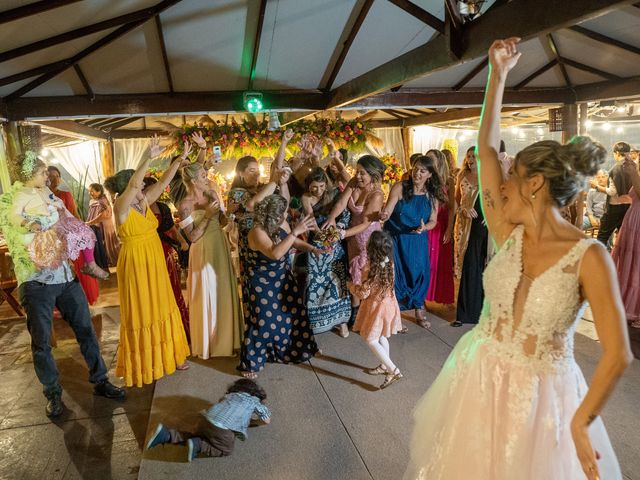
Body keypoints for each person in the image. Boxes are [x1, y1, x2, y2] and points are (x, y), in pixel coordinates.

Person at [405, 38, 632, 480]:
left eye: (511, 178)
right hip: (479, 379)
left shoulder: (590, 256)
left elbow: (618, 353)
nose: (498, 184)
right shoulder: (508, 232)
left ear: (533, 187)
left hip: (544, 399)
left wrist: (583, 421)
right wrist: (498, 76)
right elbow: (487, 149)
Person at [0, 153, 125, 418]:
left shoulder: (46, 192)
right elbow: (16, 230)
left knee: (86, 330)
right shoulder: (11, 199)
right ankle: (53, 393)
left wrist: (70, 226)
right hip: (36, 282)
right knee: (42, 342)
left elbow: (68, 219)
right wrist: (44, 226)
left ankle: (100, 380)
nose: (48, 176)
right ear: (30, 172)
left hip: (66, 278)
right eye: (43, 172)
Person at [104, 136, 191, 387]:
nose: (143, 183)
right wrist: (147, 156)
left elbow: (164, 181)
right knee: (144, 310)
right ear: (130, 185)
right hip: (136, 264)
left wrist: (179, 160)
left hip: (154, 259)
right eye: (140, 180)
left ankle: (171, 356)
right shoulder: (121, 206)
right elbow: (133, 184)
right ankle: (148, 363)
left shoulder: (143, 200)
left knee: (164, 305)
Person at [238, 194, 319, 378]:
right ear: (272, 214)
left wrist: (311, 248)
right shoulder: (257, 231)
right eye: (282, 213)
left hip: (282, 277)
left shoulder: (280, 224)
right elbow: (275, 253)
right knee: (262, 322)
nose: (286, 216)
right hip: (262, 282)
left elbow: (290, 241)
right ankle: (250, 362)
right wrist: (295, 232)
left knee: (292, 314)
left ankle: (294, 350)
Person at [175, 161, 243, 358]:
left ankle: (228, 341)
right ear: (194, 181)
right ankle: (208, 343)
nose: (208, 179)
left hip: (219, 246)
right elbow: (193, 237)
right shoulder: (184, 205)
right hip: (201, 250)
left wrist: (227, 212)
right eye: (204, 177)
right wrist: (207, 215)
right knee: (205, 292)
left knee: (223, 290)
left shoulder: (212, 194)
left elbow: (222, 222)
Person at [323, 155, 386, 327]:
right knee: (354, 274)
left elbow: (366, 223)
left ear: (373, 175)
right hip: (352, 236)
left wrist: (343, 234)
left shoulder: (377, 194)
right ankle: (355, 312)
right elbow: (342, 203)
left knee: (368, 276)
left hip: (368, 238)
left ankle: (373, 315)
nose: (357, 176)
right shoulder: (353, 183)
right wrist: (331, 218)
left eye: (362, 173)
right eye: (357, 171)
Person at [146, 379, 270, 462]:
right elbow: (266, 420)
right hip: (223, 431)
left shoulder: (230, 395)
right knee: (226, 450)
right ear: (256, 394)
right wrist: (252, 423)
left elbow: (222, 404)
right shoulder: (256, 403)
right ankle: (200, 446)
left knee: (197, 434)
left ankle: (166, 435)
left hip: (205, 419)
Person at [381, 154, 441, 326]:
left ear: (430, 174)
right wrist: (384, 214)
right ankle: (395, 316)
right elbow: (388, 210)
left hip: (417, 240)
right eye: (416, 169)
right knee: (397, 276)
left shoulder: (431, 195)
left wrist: (425, 228)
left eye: (423, 171)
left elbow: (433, 220)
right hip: (396, 238)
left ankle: (418, 309)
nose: (418, 173)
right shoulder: (400, 187)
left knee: (420, 273)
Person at [300, 167, 352, 337]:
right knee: (316, 283)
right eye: (314, 187)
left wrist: (333, 236)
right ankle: (316, 322)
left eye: (322, 186)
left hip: (334, 239)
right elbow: (311, 220)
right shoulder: (306, 198)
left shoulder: (333, 193)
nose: (318, 191)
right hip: (317, 242)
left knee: (337, 281)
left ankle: (342, 321)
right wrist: (322, 238)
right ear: (308, 185)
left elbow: (343, 214)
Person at [349, 231, 404, 389]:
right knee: (380, 336)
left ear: (371, 248)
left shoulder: (371, 268)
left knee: (370, 339)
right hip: (389, 305)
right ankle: (384, 365)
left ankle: (393, 370)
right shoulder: (389, 263)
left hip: (377, 308)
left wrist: (351, 285)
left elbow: (363, 293)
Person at [142, 176, 191, 343]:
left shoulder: (163, 207)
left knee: (173, 288)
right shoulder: (138, 208)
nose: (158, 191)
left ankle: (180, 328)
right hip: (148, 253)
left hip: (166, 252)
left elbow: (171, 228)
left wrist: (183, 241)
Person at [425, 149, 456, 307]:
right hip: (427, 222)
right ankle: (423, 296)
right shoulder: (426, 179)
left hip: (441, 223)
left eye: (431, 159)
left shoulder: (448, 180)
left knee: (442, 262)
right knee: (427, 261)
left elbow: (452, 208)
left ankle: (443, 296)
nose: (428, 161)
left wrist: (449, 228)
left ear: (439, 161)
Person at [612, 158, 640, 328]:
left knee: (637, 265)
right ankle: (626, 305)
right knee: (630, 265)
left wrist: (633, 173)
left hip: (638, 225)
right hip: (632, 222)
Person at [596, 141, 633, 247]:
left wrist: (597, 186)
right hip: (628, 207)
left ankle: (599, 261)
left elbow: (613, 192)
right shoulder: (633, 167)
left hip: (614, 208)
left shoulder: (615, 169)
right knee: (624, 238)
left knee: (602, 237)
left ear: (617, 153)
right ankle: (623, 262)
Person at [453, 147, 480, 279]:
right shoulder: (462, 175)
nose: (470, 159)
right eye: (468, 156)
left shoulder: (487, 176)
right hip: (462, 220)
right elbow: (456, 200)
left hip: (478, 220)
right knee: (461, 251)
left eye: (473, 156)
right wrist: (462, 209)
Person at [86, 182, 120, 266]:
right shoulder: (92, 201)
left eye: (92, 191)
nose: (90, 193)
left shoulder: (103, 200)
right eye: (89, 191)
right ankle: (104, 261)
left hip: (104, 225)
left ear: (99, 191)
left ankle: (109, 260)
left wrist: (90, 222)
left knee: (106, 243)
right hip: (96, 225)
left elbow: (105, 214)